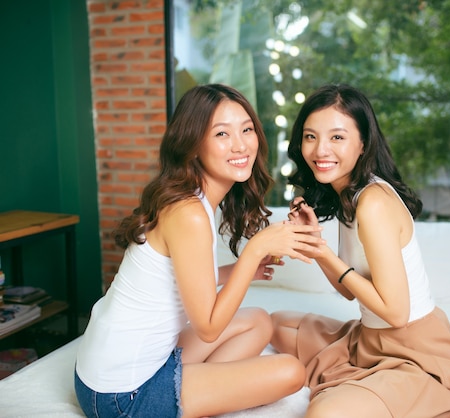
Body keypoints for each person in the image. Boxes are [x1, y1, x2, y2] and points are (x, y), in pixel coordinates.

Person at [74, 84, 326, 418]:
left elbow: (174, 279)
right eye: (222, 133)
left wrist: (240, 270)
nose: (240, 144)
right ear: (193, 145)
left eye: (247, 129)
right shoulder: (189, 212)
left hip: (102, 374)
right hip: (122, 396)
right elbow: (208, 327)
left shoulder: (190, 199)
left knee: (259, 322)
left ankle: (200, 391)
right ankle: (195, 395)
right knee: (290, 372)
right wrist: (253, 251)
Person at [271, 84, 450, 418]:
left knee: (324, 414)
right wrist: (313, 240)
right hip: (370, 339)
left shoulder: (373, 203)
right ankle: (365, 380)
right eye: (311, 136)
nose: (321, 150)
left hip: (414, 351)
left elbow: (395, 314)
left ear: (363, 143)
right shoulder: (349, 195)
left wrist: (325, 256)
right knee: (276, 325)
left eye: (337, 137)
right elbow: (348, 292)